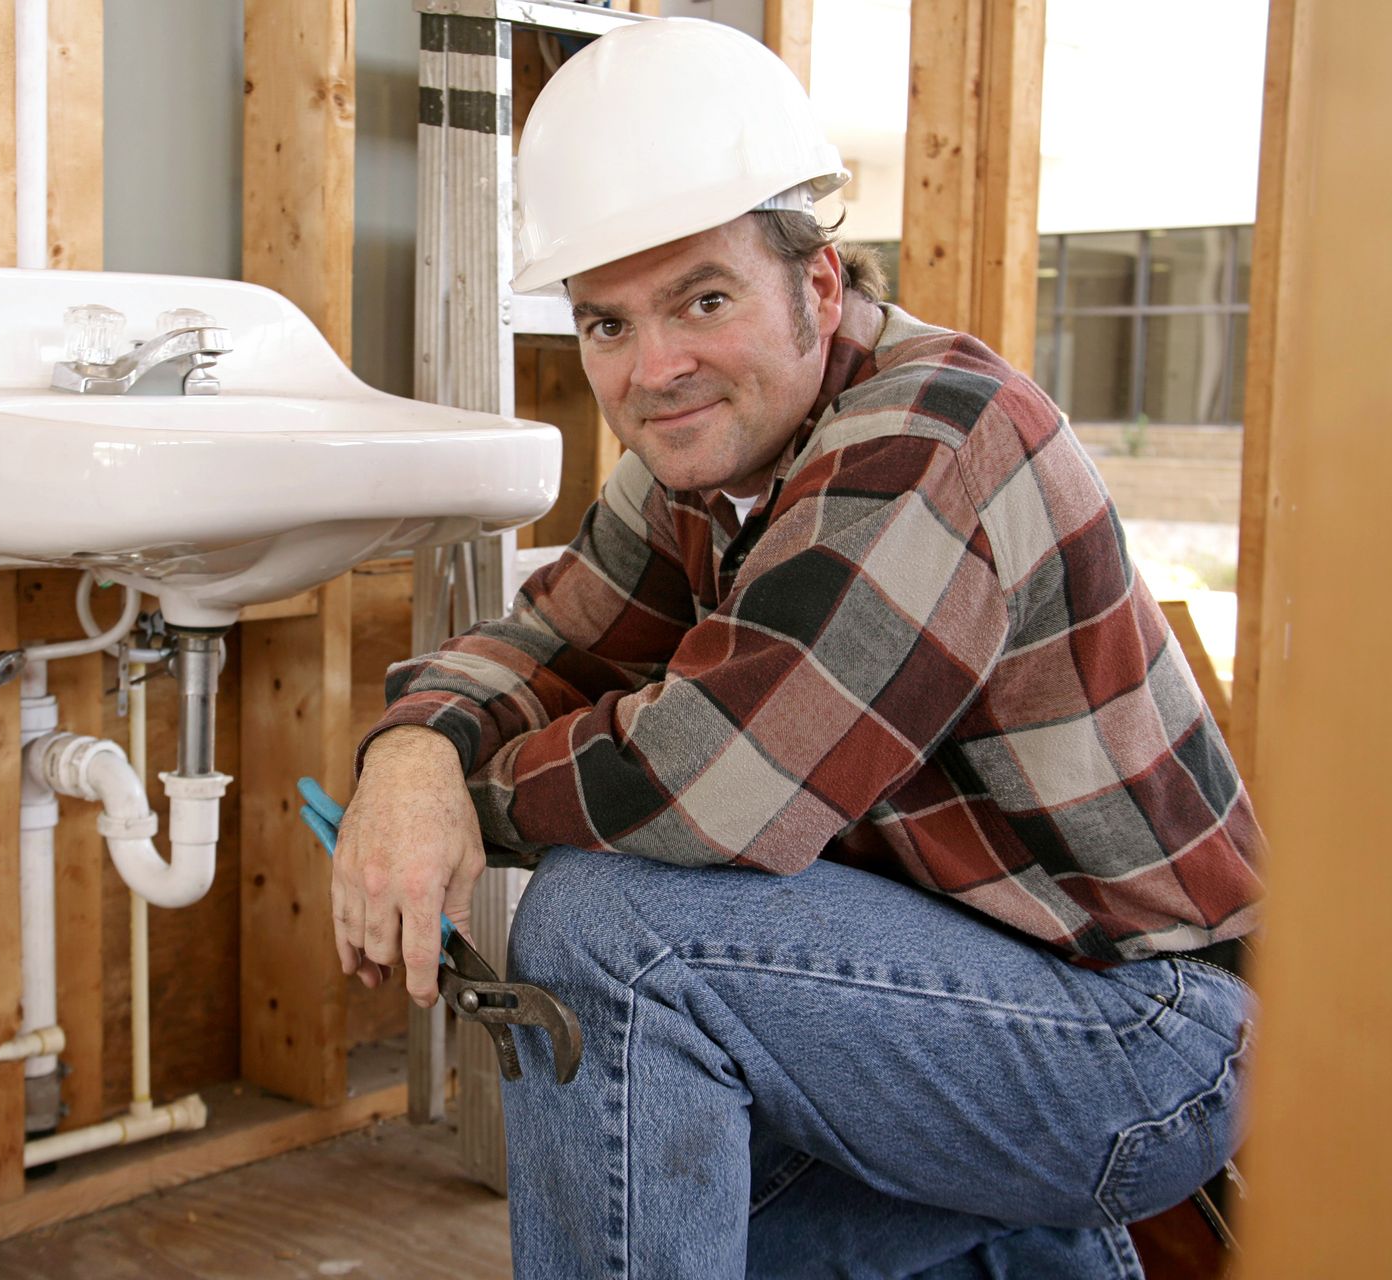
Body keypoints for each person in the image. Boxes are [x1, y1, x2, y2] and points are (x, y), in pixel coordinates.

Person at [330, 18, 1262, 1278]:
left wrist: (463, 794)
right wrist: (410, 752)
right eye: (607, 325)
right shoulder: (710, 453)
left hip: (1145, 1039)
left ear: (817, 287)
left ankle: (1054, 1207)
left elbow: (712, 786)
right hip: (986, 975)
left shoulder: (928, 440)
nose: (655, 368)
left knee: (616, 929)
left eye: (701, 300)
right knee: (660, 1199)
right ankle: (1040, 1247)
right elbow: (550, 636)